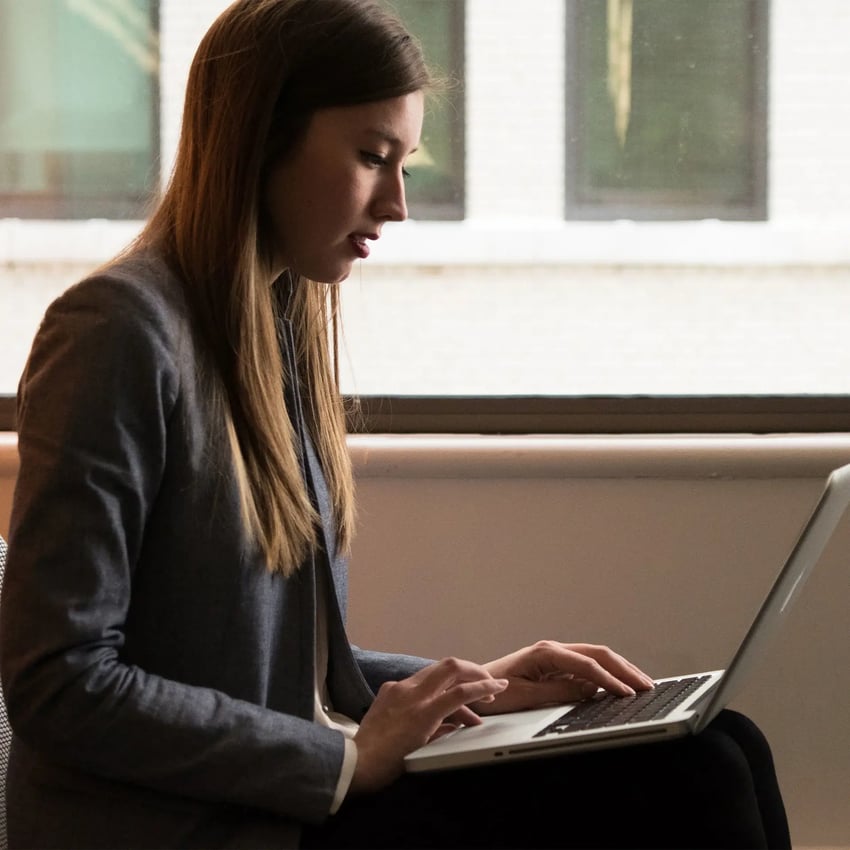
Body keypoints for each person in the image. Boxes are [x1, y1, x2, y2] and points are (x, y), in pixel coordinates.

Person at [0, 1, 791, 848]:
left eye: (405, 163)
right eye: (373, 158)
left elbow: (288, 679)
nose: (399, 205)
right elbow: (60, 682)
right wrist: (345, 761)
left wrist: (477, 690)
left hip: (281, 798)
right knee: (694, 777)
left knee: (722, 740)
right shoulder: (115, 332)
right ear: (259, 140)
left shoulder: (276, 324)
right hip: (197, 824)